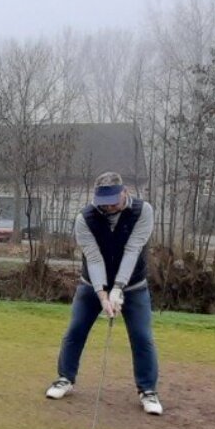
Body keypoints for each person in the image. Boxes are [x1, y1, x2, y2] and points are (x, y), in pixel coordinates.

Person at [45, 171, 162, 416]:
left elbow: (132, 250)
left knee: (142, 337)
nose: (108, 208)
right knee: (75, 330)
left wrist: (118, 288)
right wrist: (102, 295)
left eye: (112, 202)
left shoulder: (143, 211)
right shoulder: (84, 218)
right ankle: (65, 378)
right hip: (91, 285)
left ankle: (148, 390)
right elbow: (94, 259)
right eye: (103, 203)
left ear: (124, 193)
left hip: (134, 285)